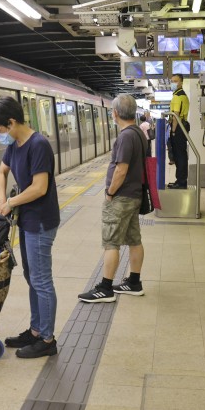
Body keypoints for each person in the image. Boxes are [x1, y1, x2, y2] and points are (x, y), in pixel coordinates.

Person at [0, 96, 60, 359]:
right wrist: (1, 199)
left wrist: (10, 203)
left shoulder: (38, 145)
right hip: (27, 220)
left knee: (41, 280)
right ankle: (36, 330)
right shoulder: (15, 144)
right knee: (32, 277)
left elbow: (39, 188)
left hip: (40, 221)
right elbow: (1, 172)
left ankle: (47, 339)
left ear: (11, 122)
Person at [79, 94, 147, 302]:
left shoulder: (125, 136)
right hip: (134, 195)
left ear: (115, 113)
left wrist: (110, 192)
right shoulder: (139, 133)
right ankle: (134, 282)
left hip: (121, 198)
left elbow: (121, 169)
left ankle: (105, 288)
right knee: (134, 239)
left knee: (111, 243)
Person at [167, 74, 190, 189]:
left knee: (179, 155)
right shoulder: (183, 95)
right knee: (181, 154)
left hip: (178, 127)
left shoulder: (177, 96)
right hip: (183, 125)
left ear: (181, 82)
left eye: (175, 81)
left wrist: (173, 131)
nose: (173, 83)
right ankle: (180, 180)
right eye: (172, 81)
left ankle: (181, 182)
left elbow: (175, 115)